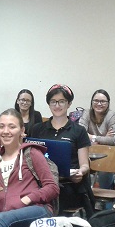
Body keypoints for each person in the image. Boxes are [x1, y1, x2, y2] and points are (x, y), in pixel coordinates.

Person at [30, 84, 94, 218]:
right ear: (48, 104)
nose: (57, 105)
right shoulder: (38, 129)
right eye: (53, 102)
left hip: (68, 183)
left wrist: (80, 173)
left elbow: (84, 165)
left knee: (56, 197)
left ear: (69, 103)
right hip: (42, 181)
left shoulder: (79, 131)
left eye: (61, 101)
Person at [79, 89, 115, 189]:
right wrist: (104, 139)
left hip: (114, 154)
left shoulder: (112, 115)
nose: (99, 104)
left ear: (108, 103)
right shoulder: (87, 113)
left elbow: (114, 140)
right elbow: (80, 134)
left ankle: (104, 201)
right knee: (78, 164)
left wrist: (92, 137)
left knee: (105, 169)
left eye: (103, 101)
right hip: (93, 152)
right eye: (96, 101)